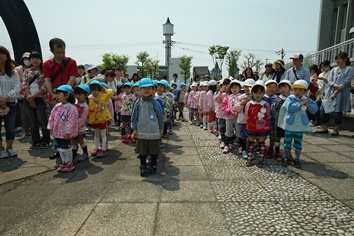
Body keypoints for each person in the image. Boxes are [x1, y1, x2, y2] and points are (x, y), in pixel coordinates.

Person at [43, 37, 78, 159]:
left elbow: (72, 78)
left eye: (63, 52)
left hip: (68, 97)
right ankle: (57, 149)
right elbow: (47, 80)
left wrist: (64, 93)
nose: (61, 55)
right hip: (54, 97)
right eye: (58, 52)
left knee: (70, 122)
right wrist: (54, 95)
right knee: (56, 123)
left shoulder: (71, 62)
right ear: (52, 51)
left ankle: (72, 147)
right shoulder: (47, 64)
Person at [277, 80, 318, 168]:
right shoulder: (290, 98)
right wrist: (300, 104)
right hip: (289, 125)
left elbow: (314, 110)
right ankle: (286, 157)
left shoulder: (307, 99)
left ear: (305, 91)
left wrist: (308, 105)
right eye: (295, 90)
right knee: (287, 142)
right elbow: (290, 108)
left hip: (300, 126)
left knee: (298, 142)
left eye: (300, 90)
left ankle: (297, 158)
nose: (297, 92)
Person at [131, 78, 164, 176]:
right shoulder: (138, 103)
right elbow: (134, 117)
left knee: (154, 151)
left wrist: (160, 129)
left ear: (153, 89)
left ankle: (153, 165)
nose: (147, 90)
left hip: (153, 132)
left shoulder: (155, 103)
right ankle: (143, 166)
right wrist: (134, 129)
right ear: (140, 89)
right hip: (142, 132)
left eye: (149, 88)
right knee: (142, 151)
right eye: (144, 88)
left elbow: (160, 117)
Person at [317, 52, 354, 136]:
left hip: (341, 93)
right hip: (330, 92)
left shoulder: (350, 69)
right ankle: (324, 128)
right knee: (323, 109)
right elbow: (329, 80)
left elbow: (345, 83)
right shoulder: (333, 70)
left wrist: (335, 92)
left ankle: (336, 129)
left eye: (339, 59)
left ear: (344, 59)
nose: (337, 61)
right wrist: (334, 85)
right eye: (336, 59)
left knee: (338, 112)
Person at [23, 51, 51, 149]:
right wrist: (29, 98)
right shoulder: (27, 71)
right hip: (29, 99)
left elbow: (45, 87)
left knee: (43, 119)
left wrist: (33, 96)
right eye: (32, 58)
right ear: (30, 60)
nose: (35, 60)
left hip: (41, 98)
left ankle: (46, 140)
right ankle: (35, 140)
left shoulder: (44, 71)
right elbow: (25, 84)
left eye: (37, 58)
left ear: (41, 60)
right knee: (32, 121)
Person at [47, 85, 78, 172]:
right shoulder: (57, 106)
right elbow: (51, 117)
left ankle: (69, 162)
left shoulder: (71, 108)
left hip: (65, 133)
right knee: (59, 147)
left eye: (59, 93)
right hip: (57, 132)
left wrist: (68, 132)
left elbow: (71, 121)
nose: (57, 96)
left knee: (66, 148)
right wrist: (50, 127)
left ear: (67, 95)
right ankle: (63, 162)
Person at [0, 46, 21, 159]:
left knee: (10, 126)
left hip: (11, 103)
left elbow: (16, 87)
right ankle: (0, 149)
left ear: (7, 56)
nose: (0, 56)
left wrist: (7, 97)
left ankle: (9, 147)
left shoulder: (14, 73)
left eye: (2, 53)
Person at [245, 81, 270, 167]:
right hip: (251, 126)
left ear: (263, 93)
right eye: (255, 92)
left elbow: (267, 114)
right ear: (252, 93)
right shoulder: (249, 104)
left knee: (261, 142)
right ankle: (249, 157)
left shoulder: (265, 104)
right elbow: (246, 114)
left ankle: (261, 158)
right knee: (251, 142)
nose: (258, 95)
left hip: (262, 127)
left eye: (260, 92)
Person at [87, 80, 113, 157]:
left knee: (103, 134)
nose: (94, 92)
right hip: (93, 120)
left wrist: (103, 88)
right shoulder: (89, 98)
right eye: (92, 90)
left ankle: (103, 149)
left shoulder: (103, 97)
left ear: (99, 90)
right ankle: (96, 148)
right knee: (96, 134)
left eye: (96, 90)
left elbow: (110, 92)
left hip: (102, 119)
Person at [271, 80, 292, 162]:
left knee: (288, 138)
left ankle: (288, 153)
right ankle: (277, 152)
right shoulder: (277, 99)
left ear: (289, 89)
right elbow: (273, 110)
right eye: (281, 88)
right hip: (279, 122)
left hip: (290, 123)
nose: (283, 89)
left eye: (285, 87)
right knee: (278, 136)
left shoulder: (292, 99)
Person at [234, 79, 255, 159]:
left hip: (252, 121)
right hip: (242, 120)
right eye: (246, 86)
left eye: (249, 87)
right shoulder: (240, 97)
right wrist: (241, 103)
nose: (247, 88)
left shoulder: (255, 97)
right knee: (242, 135)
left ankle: (250, 151)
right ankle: (243, 150)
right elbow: (235, 108)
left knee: (251, 136)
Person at [222, 79, 242, 154]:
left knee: (239, 131)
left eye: (236, 87)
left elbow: (242, 106)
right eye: (232, 88)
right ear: (230, 89)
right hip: (229, 116)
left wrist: (237, 112)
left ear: (239, 88)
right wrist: (229, 110)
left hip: (238, 117)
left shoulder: (241, 97)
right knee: (228, 131)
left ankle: (240, 146)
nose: (234, 89)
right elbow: (224, 105)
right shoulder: (228, 97)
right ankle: (226, 144)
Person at [14, 52, 31, 135]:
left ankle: (32, 129)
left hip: (33, 94)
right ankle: (27, 130)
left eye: (28, 59)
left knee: (33, 113)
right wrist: (25, 86)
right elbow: (16, 82)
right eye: (25, 59)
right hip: (21, 95)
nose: (27, 61)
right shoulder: (17, 70)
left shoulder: (34, 69)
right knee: (24, 113)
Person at [72, 84, 90, 162]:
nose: (78, 96)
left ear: (86, 95)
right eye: (76, 94)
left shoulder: (85, 107)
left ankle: (85, 153)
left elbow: (82, 119)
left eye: (80, 94)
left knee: (80, 140)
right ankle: (73, 155)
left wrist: (74, 126)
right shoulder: (75, 103)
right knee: (73, 140)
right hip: (73, 126)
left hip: (80, 127)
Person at [314, 60, 332, 133]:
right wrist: (315, 82)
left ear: (328, 66)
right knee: (316, 107)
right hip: (320, 93)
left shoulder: (332, 73)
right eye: (322, 67)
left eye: (325, 66)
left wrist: (324, 79)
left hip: (328, 93)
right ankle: (320, 124)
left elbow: (332, 83)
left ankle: (325, 127)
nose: (323, 68)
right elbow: (319, 85)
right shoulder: (321, 74)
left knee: (324, 111)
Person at [214, 78, 231, 149]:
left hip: (229, 114)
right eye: (224, 85)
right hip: (221, 113)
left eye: (227, 85)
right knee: (221, 126)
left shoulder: (231, 94)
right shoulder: (222, 94)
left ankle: (229, 141)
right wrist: (220, 92)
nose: (226, 87)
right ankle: (223, 141)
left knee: (229, 128)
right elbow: (216, 99)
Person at [263, 80, 278, 158]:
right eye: (269, 87)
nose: (271, 89)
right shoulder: (263, 97)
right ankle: (262, 146)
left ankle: (271, 148)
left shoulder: (277, 98)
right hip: (264, 120)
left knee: (273, 135)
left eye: (273, 87)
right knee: (263, 135)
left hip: (273, 120)